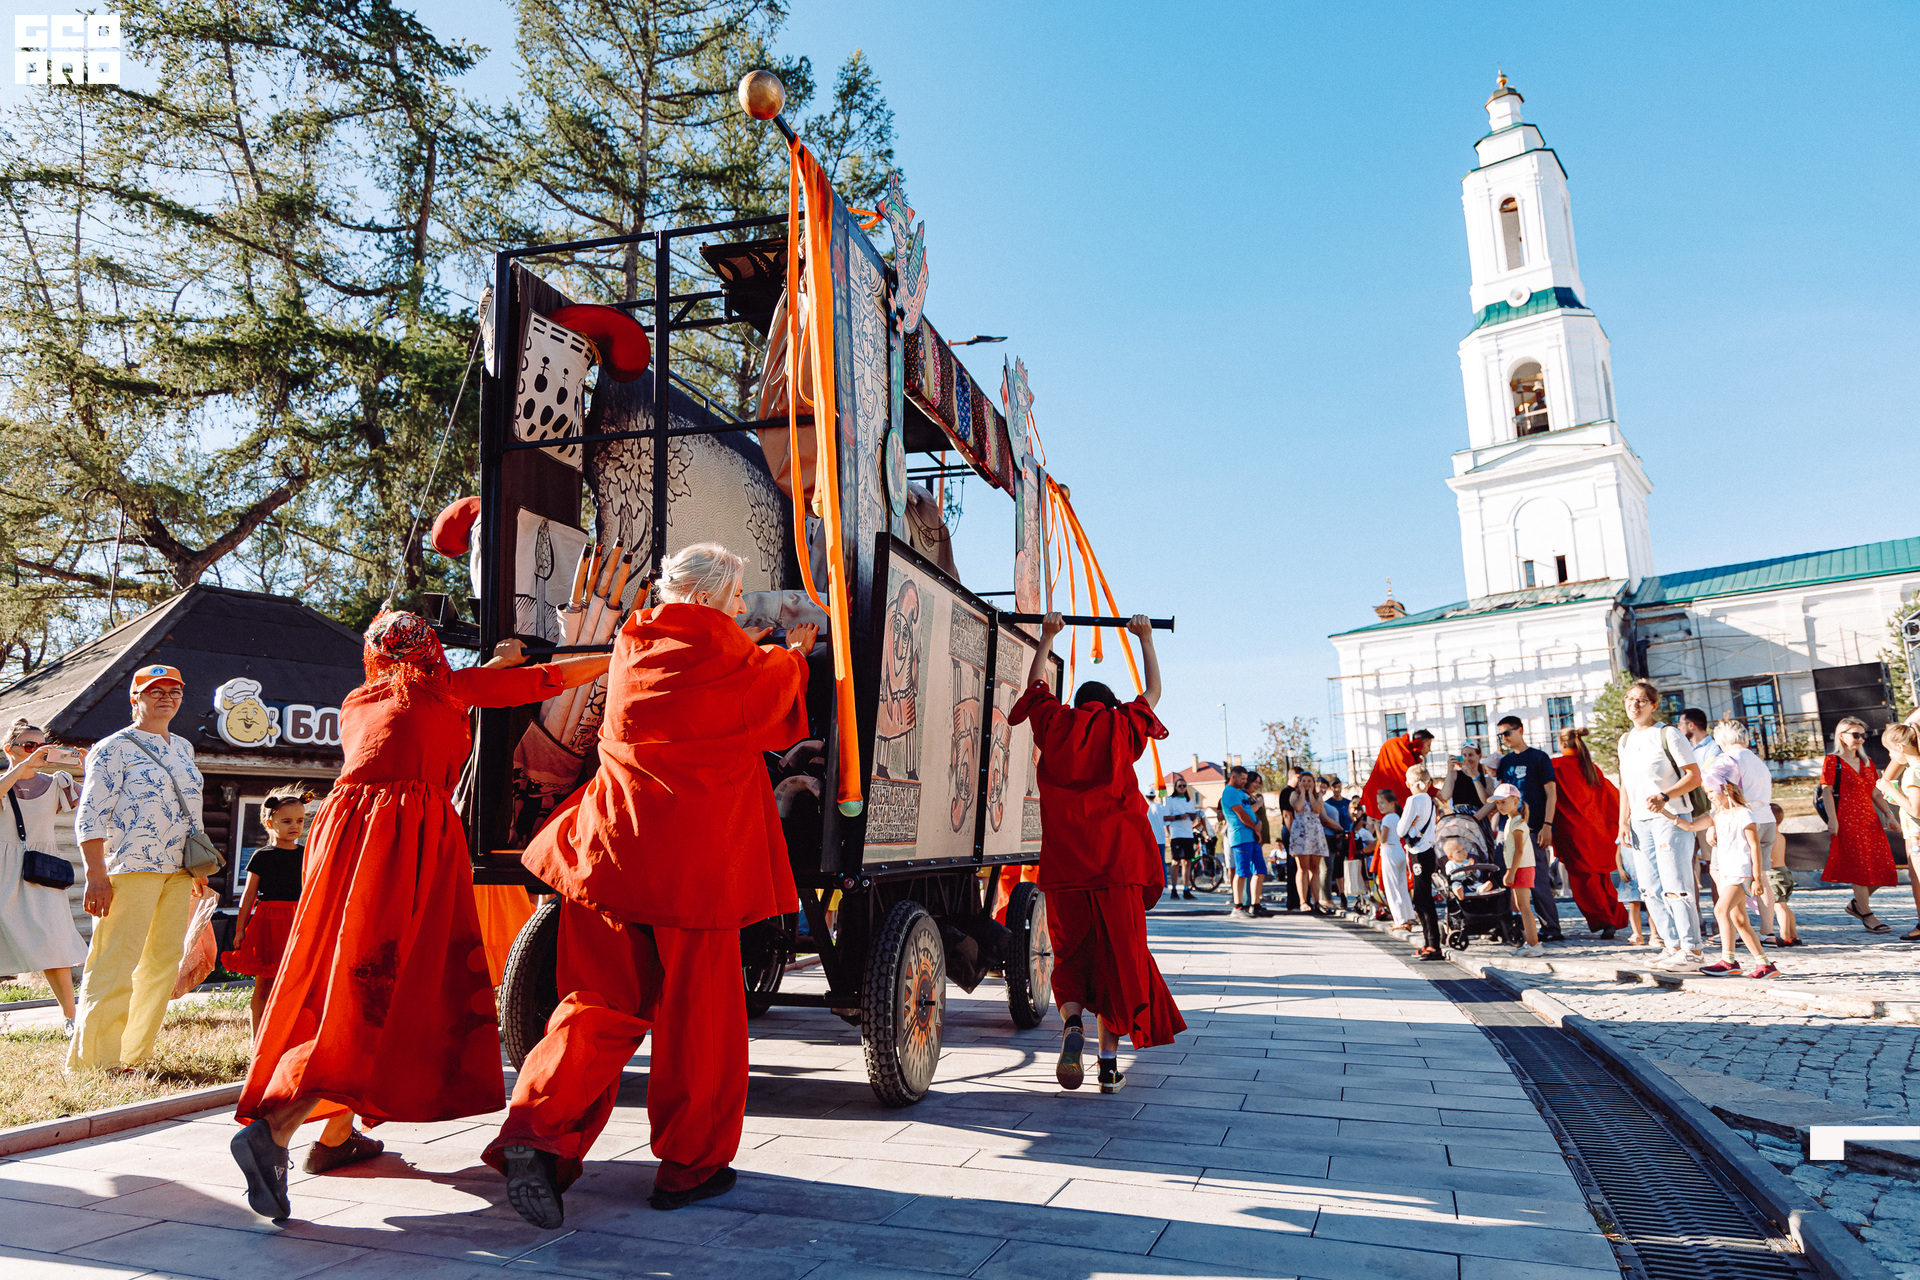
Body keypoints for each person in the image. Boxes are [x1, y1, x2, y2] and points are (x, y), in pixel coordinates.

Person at [231, 615, 609, 1222]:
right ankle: (277, 1128)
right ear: (431, 650)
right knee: (385, 985)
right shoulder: (448, 689)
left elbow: (436, 702)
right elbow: (550, 680)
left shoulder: (360, 699)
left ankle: (335, 1138)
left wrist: (493, 669)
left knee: (343, 976)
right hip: (406, 839)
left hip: (343, 837)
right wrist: (619, 653)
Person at [482, 544, 811, 1226]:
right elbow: (765, 702)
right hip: (693, 871)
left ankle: (536, 1133)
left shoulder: (632, 642)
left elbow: (704, 685)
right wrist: (797, 653)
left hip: (607, 853)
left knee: (592, 1006)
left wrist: (761, 650)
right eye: (737, 593)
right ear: (714, 596)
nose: (741, 605)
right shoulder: (730, 652)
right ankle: (691, 1167)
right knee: (701, 1021)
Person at [1006, 612, 1184, 1095]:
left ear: (1077, 703)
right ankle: (1107, 1067)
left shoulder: (1056, 723)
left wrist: (1047, 635)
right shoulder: (1122, 725)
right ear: (1109, 704)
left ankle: (1071, 1025)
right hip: (1116, 868)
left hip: (1066, 869)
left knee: (1071, 958)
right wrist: (1145, 638)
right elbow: (1153, 693)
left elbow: (1036, 685)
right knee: (1116, 965)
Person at [68, 664, 210, 1071]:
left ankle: (134, 1054)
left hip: (178, 870)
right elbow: (90, 815)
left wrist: (197, 866)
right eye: (155, 691)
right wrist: (96, 875)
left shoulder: (183, 748)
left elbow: (191, 811)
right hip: (130, 867)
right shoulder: (112, 747)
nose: (166, 697)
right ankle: (94, 1062)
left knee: (162, 965)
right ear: (136, 698)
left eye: (174, 690)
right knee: (114, 962)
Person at [0, 721, 87, 1031]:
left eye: (43, 746)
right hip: (3, 870)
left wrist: (90, 768)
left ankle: (71, 1018)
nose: (38, 751)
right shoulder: (4, 783)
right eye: (29, 746)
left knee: (54, 942)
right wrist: (22, 768)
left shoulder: (57, 783)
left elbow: (95, 802)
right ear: (9, 749)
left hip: (41, 871)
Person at [1615, 680, 1705, 969]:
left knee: (1676, 884)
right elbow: (1625, 785)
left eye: (1641, 700)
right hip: (1639, 821)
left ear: (1653, 705)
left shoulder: (1667, 734)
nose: (1634, 705)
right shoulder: (1625, 741)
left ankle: (1692, 949)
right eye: (1629, 699)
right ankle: (1671, 944)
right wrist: (1623, 822)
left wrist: (1665, 796)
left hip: (1671, 818)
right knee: (1649, 888)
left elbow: (1694, 776)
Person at [221, 786, 311, 1038]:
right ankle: (257, 1038)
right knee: (264, 982)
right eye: (287, 821)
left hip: (297, 922)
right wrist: (240, 929)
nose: (295, 826)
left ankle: (289, 1035)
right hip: (267, 923)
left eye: (300, 820)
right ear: (270, 824)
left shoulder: (307, 855)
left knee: (296, 981)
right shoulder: (262, 856)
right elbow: (248, 895)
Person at [1678, 764, 1775, 978]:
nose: (1709, 796)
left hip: (1742, 874)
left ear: (1725, 788)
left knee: (1721, 910)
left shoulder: (1744, 814)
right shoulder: (1717, 815)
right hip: (1728, 873)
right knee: (1739, 919)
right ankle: (1765, 964)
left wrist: (1757, 878)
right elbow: (1690, 826)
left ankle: (1728, 960)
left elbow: (1755, 847)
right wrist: (1665, 813)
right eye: (1707, 793)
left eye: (1711, 791)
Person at [1714, 720, 1799, 947]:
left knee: (1723, 872)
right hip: (1766, 817)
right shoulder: (1758, 761)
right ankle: (1766, 931)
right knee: (1761, 875)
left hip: (1740, 820)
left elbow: (1721, 794)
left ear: (1721, 740)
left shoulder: (1726, 760)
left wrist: (1713, 822)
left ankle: (1733, 927)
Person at [1819, 716, 1901, 934]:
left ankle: (1857, 904)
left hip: (1870, 821)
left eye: (1863, 735)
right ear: (1841, 736)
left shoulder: (1867, 762)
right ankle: (1866, 914)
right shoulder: (1832, 761)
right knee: (1859, 868)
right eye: (1856, 735)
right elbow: (1827, 791)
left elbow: (1875, 792)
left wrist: (1889, 814)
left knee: (1884, 867)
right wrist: (1832, 819)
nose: (1861, 739)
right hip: (1846, 821)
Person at [1549, 729, 1627, 938]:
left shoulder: (1556, 766)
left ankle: (1605, 920)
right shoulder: (1591, 767)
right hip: (1597, 829)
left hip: (1572, 831)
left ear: (1561, 744)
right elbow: (1611, 796)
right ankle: (1616, 917)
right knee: (1602, 877)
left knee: (1584, 880)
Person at [1491, 716, 1563, 942]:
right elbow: (1499, 796)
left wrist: (1547, 825)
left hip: (1532, 828)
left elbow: (1551, 793)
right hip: (1506, 829)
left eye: (1507, 733)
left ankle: (1550, 928)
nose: (1504, 738)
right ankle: (1510, 927)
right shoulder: (1505, 762)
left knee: (1537, 879)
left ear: (1520, 730)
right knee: (1506, 878)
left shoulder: (1539, 757)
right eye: (1500, 735)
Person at [1877, 723, 1920, 941]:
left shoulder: (1912, 773)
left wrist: (1890, 790)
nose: (1890, 755)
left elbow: (1915, 809)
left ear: (1900, 747)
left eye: (1889, 750)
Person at [1489, 783, 1542, 957]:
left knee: (1524, 907)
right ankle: (1531, 942)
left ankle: (1534, 944)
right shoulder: (1511, 822)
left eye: (1503, 802)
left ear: (1515, 801)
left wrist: (1511, 872)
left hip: (1522, 867)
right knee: (1520, 905)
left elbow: (1519, 850)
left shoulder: (1518, 823)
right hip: (1518, 867)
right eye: (1498, 803)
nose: (1500, 806)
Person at [1397, 765, 1443, 959]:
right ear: (1429, 783)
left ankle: (1433, 944)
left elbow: (1400, 830)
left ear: (1408, 783)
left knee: (1423, 900)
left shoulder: (1413, 800)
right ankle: (1429, 942)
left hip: (1418, 852)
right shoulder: (1430, 801)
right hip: (1428, 851)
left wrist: (1409, 824)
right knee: (1423, 898)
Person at [1362, 728, 1432, 826]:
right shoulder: (1396, 744)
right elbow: (1407, 775)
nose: (1429, 749)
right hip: (1378, 798)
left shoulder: (1411, 757)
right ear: (1421, 743)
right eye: (1428, 745)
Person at [1220, 766, 1263, 918]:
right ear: (1233, 777)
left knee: (1260, 870)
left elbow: (1249, 810)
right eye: (1243, 779)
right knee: (1242, 871)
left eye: (1246, 779)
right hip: (1240, 837)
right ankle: (1238, 906)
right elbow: (1241, 814)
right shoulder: (1230, 792)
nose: (1245, 782)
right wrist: (1255, 827)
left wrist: (1258, 824)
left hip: (1251, 837)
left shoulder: (1240, 792)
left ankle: (1255, 905)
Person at [1374, 790, 1416, 931]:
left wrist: (1376, 828)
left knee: (1392, 887)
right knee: (1402, 887)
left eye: (1382, 803)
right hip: (1399, 850)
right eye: (1378, 803)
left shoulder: (1387, 818)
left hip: (1389, 851)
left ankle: (1400, 920)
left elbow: (1383, 839)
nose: (1379, 806)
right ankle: (1408, 917)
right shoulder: (1398, 817)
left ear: (1391, 803)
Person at [1159, 775, 1206, 901]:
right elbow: (1165, 817)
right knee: (1176, 862)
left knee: (1187, 862)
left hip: (1188, 834)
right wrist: (1179, 817)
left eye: (1184, 786)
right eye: (1180, 786)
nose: (1182, 788)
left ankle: (1186, 889)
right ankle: (1174, 889)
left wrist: (1191, 815)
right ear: (1175, 787)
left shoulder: (1189, 800)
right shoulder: (1170, 800)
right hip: (1177, 834)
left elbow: (1193, 816)